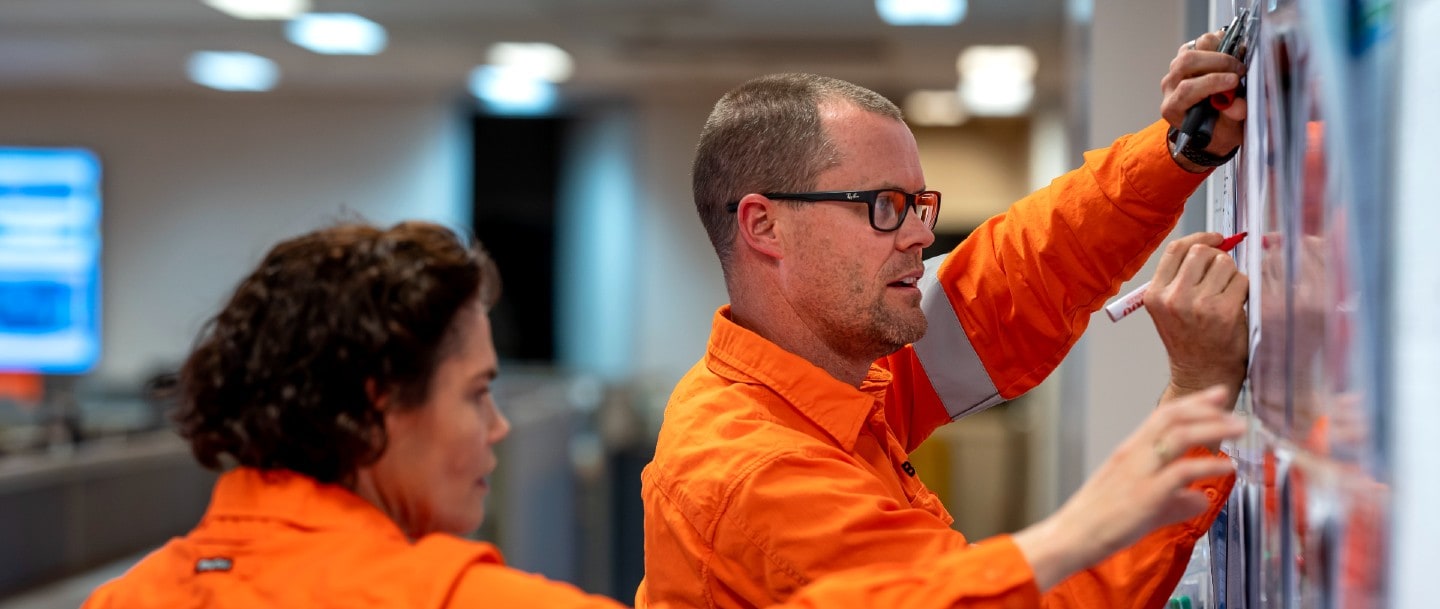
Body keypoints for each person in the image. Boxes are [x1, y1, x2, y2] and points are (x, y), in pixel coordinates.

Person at [80, 221, 1242, 609]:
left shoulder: (130, 594)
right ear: (378, 404)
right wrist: (1057, 544)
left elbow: (1001, 291)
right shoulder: (453, 602)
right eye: (479, 396)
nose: (497, 431)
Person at [637, 30, 1252, 609]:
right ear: (764, 226)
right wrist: (1198, 395)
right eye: (884, 206)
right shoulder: (764, 476)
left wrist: (1180, 150)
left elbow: (1011, 282)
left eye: (917, 205)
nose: (920, 234)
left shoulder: (824, 373)